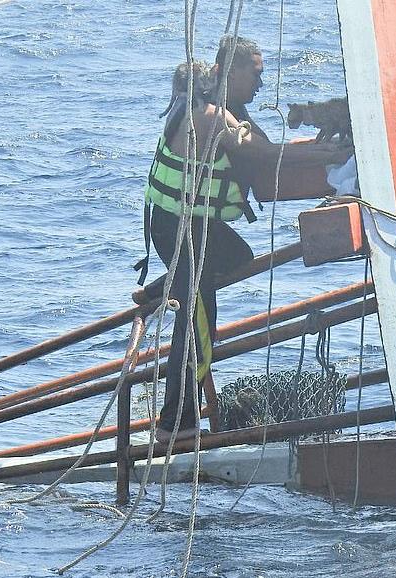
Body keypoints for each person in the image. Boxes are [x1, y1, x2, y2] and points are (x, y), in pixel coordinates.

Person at [140, 36, 351, 442]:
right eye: (254, 75)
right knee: (198, 323)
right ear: (227, 72)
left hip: (194, 227)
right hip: (179, 230)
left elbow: (267, 148)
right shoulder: (211, 117)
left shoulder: (225, 110)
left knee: (238, 256)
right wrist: (331, 156)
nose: (260, 84)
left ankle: (170, 284)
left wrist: (322, 147)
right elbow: (267, 155)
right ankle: (175, 425)